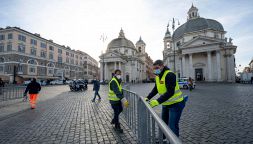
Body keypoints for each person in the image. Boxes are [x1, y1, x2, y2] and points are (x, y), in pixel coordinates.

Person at [145, 60, 187, 137]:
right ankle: (163, 139)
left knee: (172, 126)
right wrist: (147, 98)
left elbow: (170, 92)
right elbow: (156, 89)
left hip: (176, 104)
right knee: (163, 124)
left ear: (162, 66)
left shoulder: (170, 75)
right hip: (166, 104)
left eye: (157, 68)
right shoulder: (158, 76)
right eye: (154, 68)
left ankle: (174, 141)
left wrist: (157, 101)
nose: (155, 70)